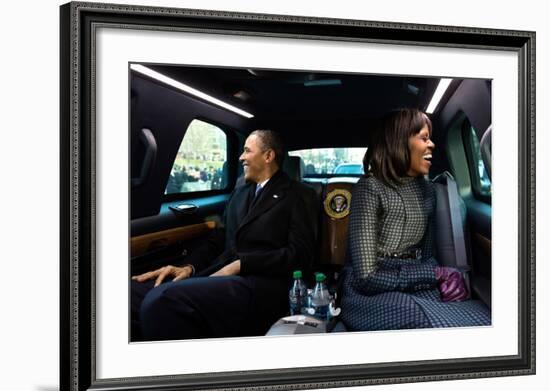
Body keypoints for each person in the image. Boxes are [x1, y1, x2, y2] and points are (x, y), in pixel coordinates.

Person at [131, 130, 315, 341]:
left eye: (247, 151)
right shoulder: (240, 193)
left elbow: (300, 254)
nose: (241, 157)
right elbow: (216, 241)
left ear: (268, 156)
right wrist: (188, 267)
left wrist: (242, 264)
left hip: (261, 284)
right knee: (132, 295)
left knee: (161, 300)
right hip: (221, 274)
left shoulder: (298, 195)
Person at [340, 108, 490, 331]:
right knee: (421, 319)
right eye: (424, 138)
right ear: (399, 142)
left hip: (419, 283)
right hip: (371, 291)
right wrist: (434, 274)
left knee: (482, 318)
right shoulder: (369, 188)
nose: (432, 145)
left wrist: (449, 277)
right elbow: (366, 278)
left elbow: (427, 256)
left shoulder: (427, 191)